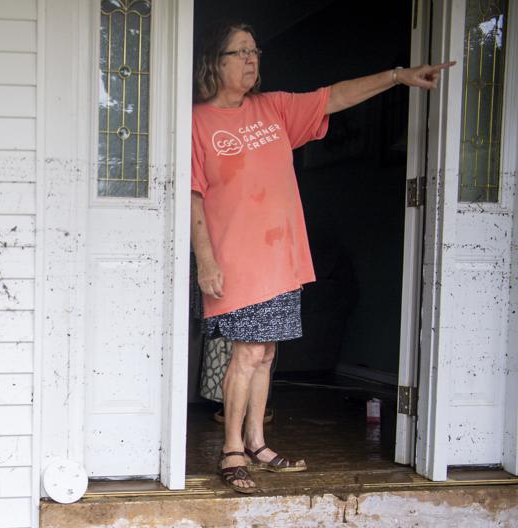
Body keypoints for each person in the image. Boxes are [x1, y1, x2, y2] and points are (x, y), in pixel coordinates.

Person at [190, 22, 452, 493]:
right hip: (236, 259)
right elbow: (191, 195)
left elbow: (334, 96)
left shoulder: (274, 110)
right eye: (240, 52)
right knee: (247, 353)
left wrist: (397, 77)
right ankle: (232, 448)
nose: (252, 59)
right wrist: (205, 260)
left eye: (255, 50)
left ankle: (256, 441)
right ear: (216, 61)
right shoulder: (197, 121)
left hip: (281, 256)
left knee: (267, 354)